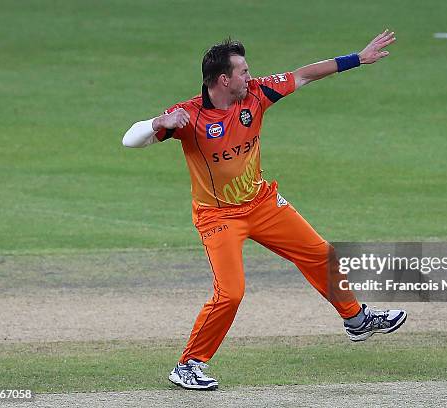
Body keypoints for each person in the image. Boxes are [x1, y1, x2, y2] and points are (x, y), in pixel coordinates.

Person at [122, 29, 406, 391]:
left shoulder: (256, 94)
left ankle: (356, 319)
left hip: (262, 204)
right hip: (219, 216)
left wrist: (357, 58)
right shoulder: (188, 116)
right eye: (242, 71)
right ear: (223, 79)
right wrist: (156, 124)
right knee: (231, 293)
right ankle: (188, 364)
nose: (249, 75)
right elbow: (129, 140)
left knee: (322, 254)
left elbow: (304, 74)